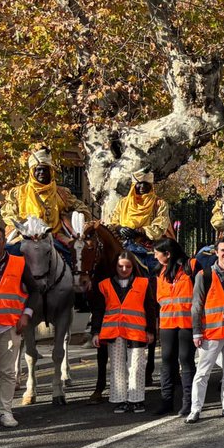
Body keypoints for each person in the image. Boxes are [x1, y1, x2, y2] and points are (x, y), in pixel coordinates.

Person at [186, 237, 224, 423]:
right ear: (216, 252)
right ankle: (195, 409)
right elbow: (196, 305)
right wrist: (196, 332)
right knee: (203, 372)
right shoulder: (204, 275)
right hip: (211, 332)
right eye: (223, 250)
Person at [91, 251, 157, 413]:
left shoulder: (143, 283)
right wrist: (95, 332)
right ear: (115, 266)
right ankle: (119, 399)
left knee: (136, 366)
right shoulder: (104, 284)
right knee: (117, 367)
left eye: (128, 266)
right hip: (113, 331)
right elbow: (98, 310)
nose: (124, 269)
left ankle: (136, 399)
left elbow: (150, 308)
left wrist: (150, 330)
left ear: (133, 267)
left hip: (136, 331)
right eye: (121, 266)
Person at [2, 147, 91, 256]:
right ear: (32, 172)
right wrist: (23, 225)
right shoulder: (18, 192)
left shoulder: (62, 193)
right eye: (38, 169)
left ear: (51, 171)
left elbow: (82, 209)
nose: (41, 172)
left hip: (55, 236)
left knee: (73, 257)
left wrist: (72, 218)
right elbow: (8, 213)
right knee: (8, 255)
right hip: (25, 237)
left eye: (45, 169)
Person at [153, 239, 196, 417]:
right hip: (167, 324)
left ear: (168, 254)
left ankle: (188, 402)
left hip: (187, 324)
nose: (155, 256)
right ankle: (166, 401)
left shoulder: (191, 266)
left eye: (157, 252)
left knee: (186, 361)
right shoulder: (159, 272)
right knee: (167, 362)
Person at [0, 247, 35, 428]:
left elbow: (34, 290)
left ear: (3, 242)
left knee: (7, 372)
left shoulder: (18, 263)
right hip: (16, 226)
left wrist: (26, 314)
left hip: (9, 325)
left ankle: (6, 411)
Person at [107, 168, 172, 245]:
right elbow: (113, 222)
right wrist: (119, 228)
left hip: (148, 246)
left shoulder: (159, 204)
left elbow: (159, 229)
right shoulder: (123, 203)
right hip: (122, 243)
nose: (143, 187)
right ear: (133, 186)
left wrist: (139, 231)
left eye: (146, 184)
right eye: (139, 183)